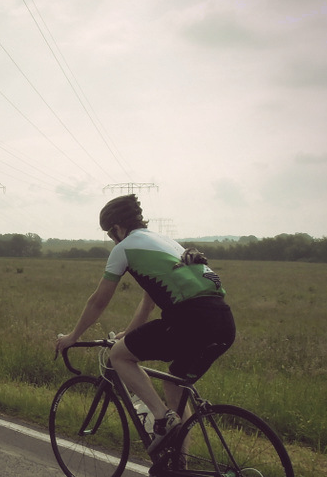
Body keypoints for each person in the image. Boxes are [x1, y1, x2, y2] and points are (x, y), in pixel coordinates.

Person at [54, 194, 236, 456]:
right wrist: (129, 333)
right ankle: (179, 464)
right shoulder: (165, 242)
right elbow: (149, 301)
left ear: (117, 228)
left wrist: (73, 336)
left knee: (119, 356)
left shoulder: (124, 248)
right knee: (174, 384)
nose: (112, 240)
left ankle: (162, 417)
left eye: (109, 234)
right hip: (224, 321)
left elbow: (98, 301)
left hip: (191, 320)